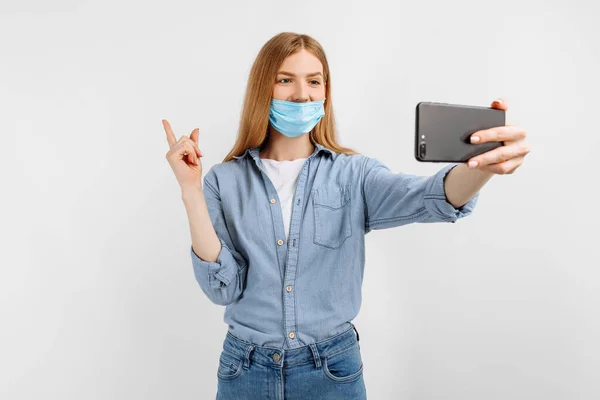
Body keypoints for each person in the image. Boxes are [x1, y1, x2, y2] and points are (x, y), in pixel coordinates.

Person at [163, 32, 530, 400]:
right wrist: (190, 190)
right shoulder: (223, 180)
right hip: (245, 370)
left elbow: (430, 196)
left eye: (314, 81)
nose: (302, 94)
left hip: (330, 371)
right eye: (285, 79)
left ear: (326, 91)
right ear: (263, 88)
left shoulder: (354, 175)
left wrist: (484, 165)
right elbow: (221, 286)